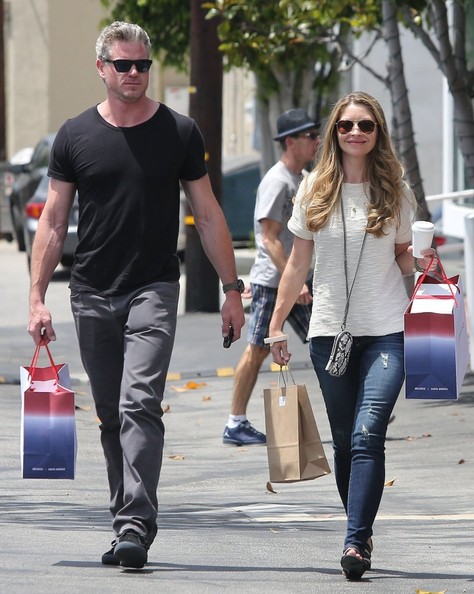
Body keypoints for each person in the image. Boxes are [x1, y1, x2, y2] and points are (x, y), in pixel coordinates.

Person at [27, 21, 245, 569]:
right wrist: (36, 298)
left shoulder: (179, 132)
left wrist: (231, 288)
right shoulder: (75, 135)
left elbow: (209, 212)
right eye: (123, 65)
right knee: (108, 415)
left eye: (142, 65)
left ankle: (134, 525)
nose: (133, 74)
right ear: (102, 68)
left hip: (153, 286)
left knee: (138, 403)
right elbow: (53, 221)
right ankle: (124, 516)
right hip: (91, 290)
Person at [268, 92, 437, 579]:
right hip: (328, 334)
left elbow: (403, 255)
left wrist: (424, 261)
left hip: (387, 329)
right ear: (334, 133)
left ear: (378, 132)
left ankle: (356, 541)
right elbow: (298, 262)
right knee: (344, 442)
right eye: (346, 126)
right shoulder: (314, 189)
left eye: (365, 125)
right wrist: (276, 325)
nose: (356, 133)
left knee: (367, 433)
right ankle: (358, 526)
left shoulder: (395, 190)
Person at [222, 109, 320, 446]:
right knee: (257, 351)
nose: (316, 141)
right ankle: (235, 422)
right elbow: (269, 238)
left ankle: (352, 409)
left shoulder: (302, 178)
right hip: (273, 283)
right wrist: (298, 281)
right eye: (309, 136)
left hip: (295, 282)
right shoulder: (277, 181)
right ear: (290, 142)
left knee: (328, 340)